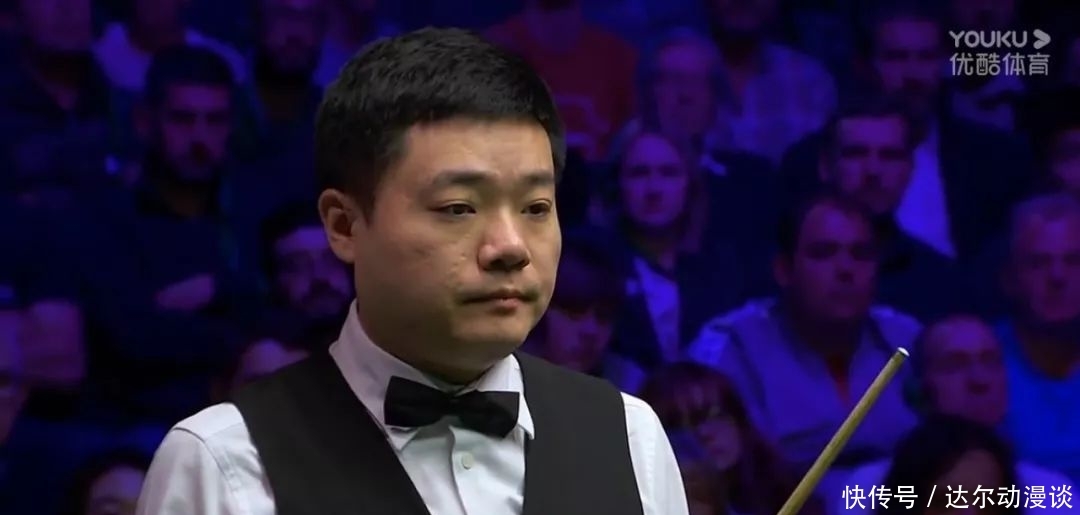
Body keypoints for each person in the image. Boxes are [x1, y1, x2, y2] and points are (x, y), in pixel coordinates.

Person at [136, 27, 688, 515]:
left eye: (536, 207)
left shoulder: (630, 437)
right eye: (459, 208)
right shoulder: (224, 462)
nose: (510, 247)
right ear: (344, 226)